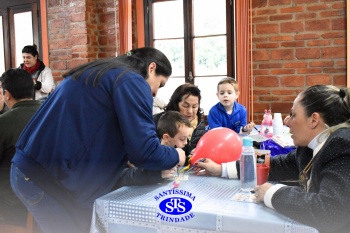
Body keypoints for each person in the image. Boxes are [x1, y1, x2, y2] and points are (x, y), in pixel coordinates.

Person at [10, 47, 186, 233]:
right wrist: (176, 155)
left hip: (32, 169)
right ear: (151, 68)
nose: (155, 93)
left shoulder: (99, 73)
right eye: (160, 83)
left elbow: (95, 131)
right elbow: (144, 151)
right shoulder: (131, 80)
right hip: (45, 177)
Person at [195, 85, 350, 233]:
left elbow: (329, 212)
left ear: (314, 120)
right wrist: (221, 168)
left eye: (293, 115)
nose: (286, 121)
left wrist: (271, 193)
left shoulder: (342, 144)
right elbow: (274, 164)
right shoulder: (310, 147)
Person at [0, 69, 41, 227]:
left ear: (7, 94)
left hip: (11, 205)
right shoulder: (51, 115)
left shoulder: (4, 122)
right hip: (50, 199)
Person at [153, 83, 207, 159]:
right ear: (175, 104)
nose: (190, 111)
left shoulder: (199, 123)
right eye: (186, 106)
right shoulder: (160, 121)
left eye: (195, 106)